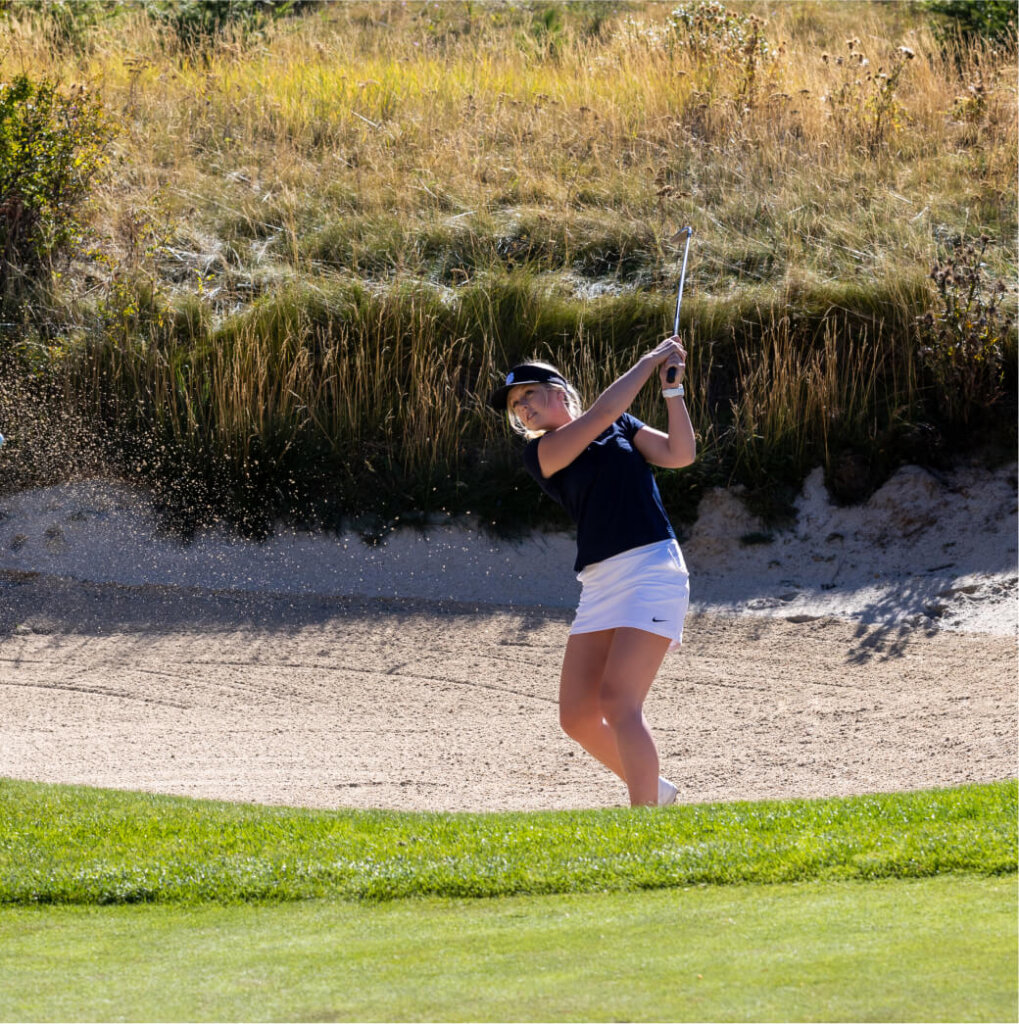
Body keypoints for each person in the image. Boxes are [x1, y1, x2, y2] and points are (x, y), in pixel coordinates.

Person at [489, 337, 696, 807]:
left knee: (620, 703)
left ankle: (644, 819)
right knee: (577, 716)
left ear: (558, 391)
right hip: (601, 581)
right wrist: (646, 361)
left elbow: (680, 454)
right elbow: (600, 414)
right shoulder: (543, 453)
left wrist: (672, 393)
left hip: (652, 569)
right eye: (515, 406)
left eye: (528, 395)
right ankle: (655, 791)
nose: (522, 409)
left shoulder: (621, 422)